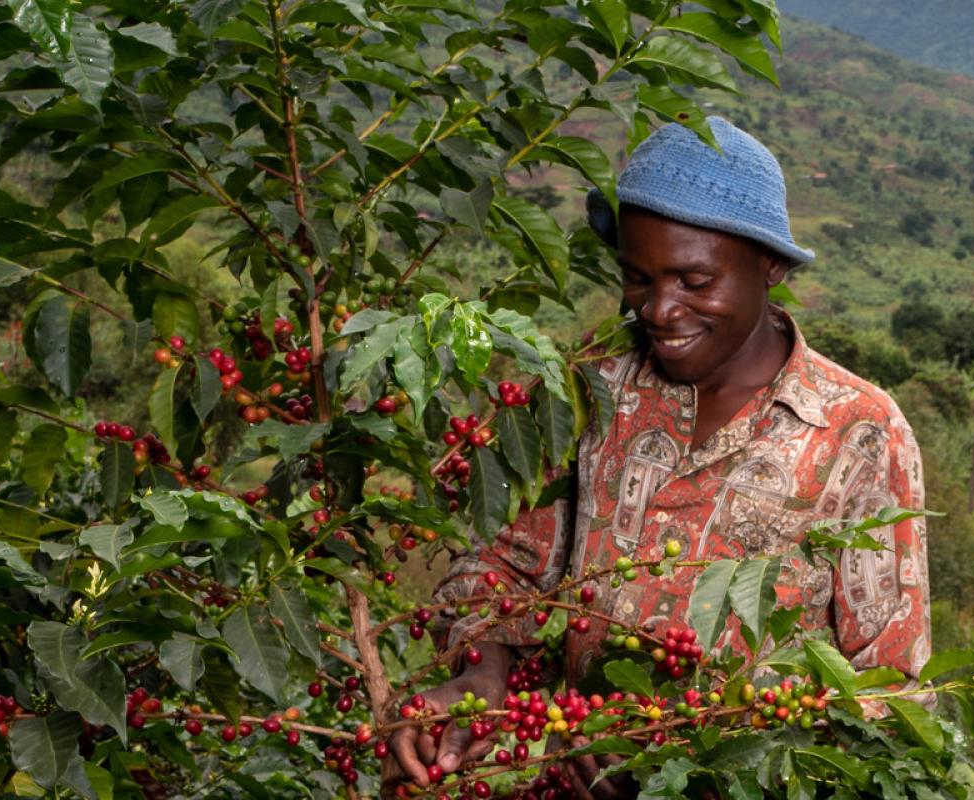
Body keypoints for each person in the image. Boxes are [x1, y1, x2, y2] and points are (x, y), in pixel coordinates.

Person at [386, 118, 930, 796]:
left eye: (696, 281)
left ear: (773, 267)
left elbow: (895, 688)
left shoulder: (858, 431)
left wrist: (693, 763)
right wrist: (481, 670)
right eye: (638, 279)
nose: (661, 310)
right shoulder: (591, 393)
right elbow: (501, 566)